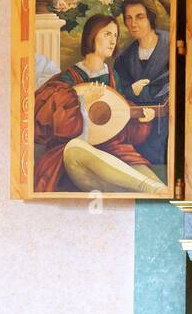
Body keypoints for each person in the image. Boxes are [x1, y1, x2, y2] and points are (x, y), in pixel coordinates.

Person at [33, 13, 162, 194]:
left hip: (115, 152)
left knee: (159, 189)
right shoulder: (68, 78)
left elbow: (120, 124)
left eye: (115, 36)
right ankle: (143, 186)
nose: (112, 41)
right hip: (78, 159)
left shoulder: (114, 78)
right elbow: (49, 118)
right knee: (74, 148)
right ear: (92, 35)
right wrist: (82, 102)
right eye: (107, 34)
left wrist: (140, 120)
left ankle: (147, 187)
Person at [113, 0, 171, 167]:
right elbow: (120, 92)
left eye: (140, 17)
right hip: (137, 130)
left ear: (150, 18)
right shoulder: (124, 58)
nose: (133, 23)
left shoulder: (171, 46)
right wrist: (132, 91)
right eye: (128, 18)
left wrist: (144, 95)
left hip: (168, 128)